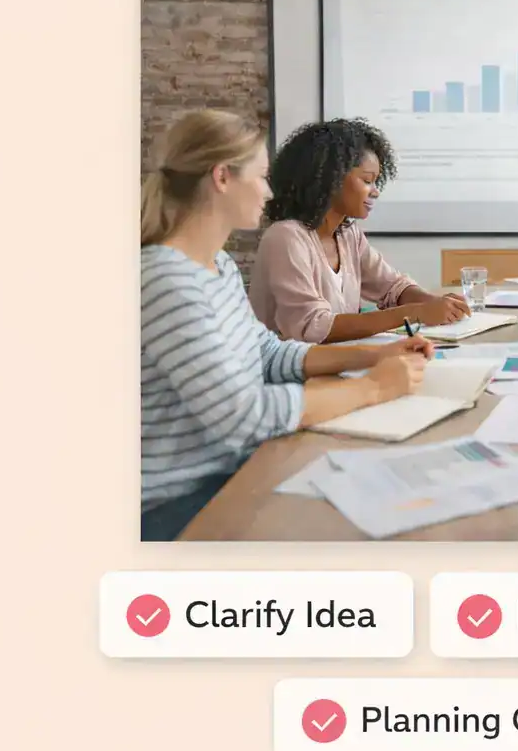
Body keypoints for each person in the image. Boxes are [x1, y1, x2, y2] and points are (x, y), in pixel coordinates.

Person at [140, 109, 434, 541]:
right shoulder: (166, 279)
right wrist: (374, 387)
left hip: (239, 469)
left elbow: (269, 353)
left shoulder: (215, 265)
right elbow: (244, 416)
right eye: (260, 176)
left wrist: (377, 354)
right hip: (181, 501)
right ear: (222, 177)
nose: (269, 190)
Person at [248, 117, 470, 343]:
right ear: (329, 178)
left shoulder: (347, 235)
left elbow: (392, 287)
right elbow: (312, 326)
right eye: (367, 181)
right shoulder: (285, 237)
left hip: (334, 365)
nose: (375, 192)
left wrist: (432, 303)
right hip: (289, 373)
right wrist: (414, 313)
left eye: (376, 182)